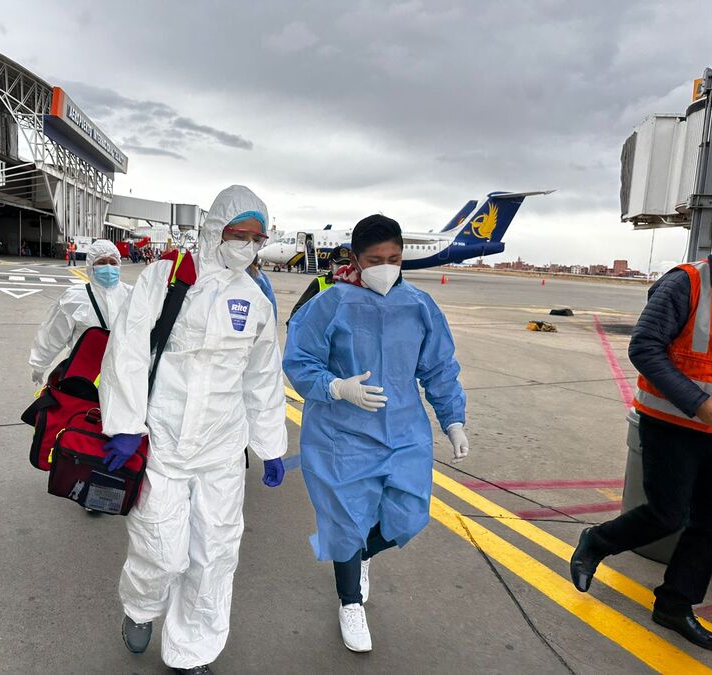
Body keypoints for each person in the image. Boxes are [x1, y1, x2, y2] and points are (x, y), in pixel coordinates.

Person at [98, 186, 287, 674]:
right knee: (162, 551)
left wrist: (269, 445)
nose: (246, 245)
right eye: (237, 234)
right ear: (214, 230)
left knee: (214, 557)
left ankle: (191, 652)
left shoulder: (255, 298)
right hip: (162, 441)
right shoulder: (167, 276)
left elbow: (262, 376)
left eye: (256, 238)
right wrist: (124, 424)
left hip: (222, 450)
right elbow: (128, 350)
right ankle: (140, 606)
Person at [283, 214, 468, 653]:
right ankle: (349, 602)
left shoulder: (419, 305)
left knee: (410, 514)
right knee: (345, 519)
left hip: (404, 432)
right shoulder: (330, 303)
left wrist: (454, 420)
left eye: (394, 258)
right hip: (341, 434)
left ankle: (362, 553)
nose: (386, 267)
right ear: (355, 259)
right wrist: (336, 387)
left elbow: (439, 367)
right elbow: (300, 361)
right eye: (375, 259)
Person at [570, 253, 712, 651]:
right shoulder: (687, 283)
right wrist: (698, 402)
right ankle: (597, 542)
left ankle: (675, 604)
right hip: (673, 424)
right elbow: (645, 348)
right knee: (668, 514)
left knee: (711, 523)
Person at [29, 239, 130, 384]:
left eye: (113, 263)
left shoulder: (132, 295)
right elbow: (54, 334)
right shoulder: (75, 297)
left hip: (122, 376)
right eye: (101, 262)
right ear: (91, 266)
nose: (108, 267)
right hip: (84, 376)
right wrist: (39, 365)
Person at [288, 244, 351, 324]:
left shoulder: (355, 285)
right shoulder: (319, 282)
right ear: (330, 265)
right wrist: (292, 326)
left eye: (347, 265)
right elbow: (300, 308)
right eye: (339, 265)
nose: (343, 268)